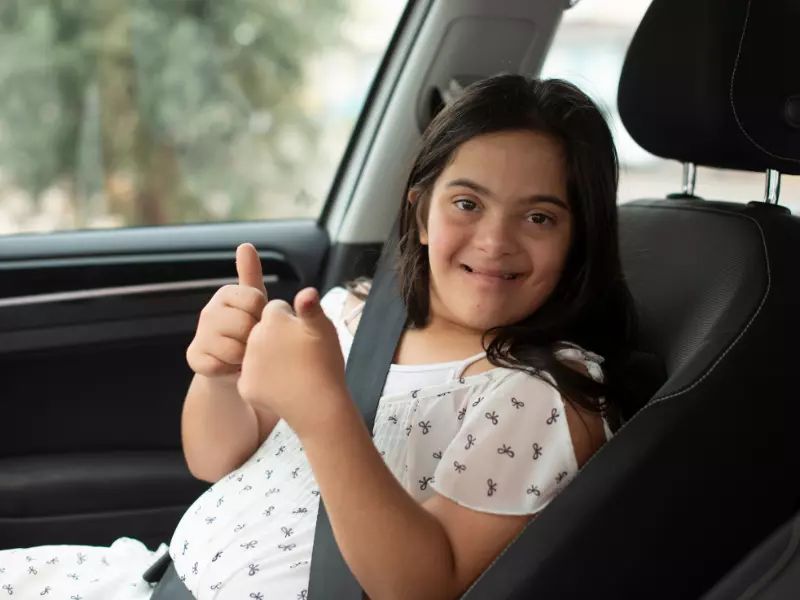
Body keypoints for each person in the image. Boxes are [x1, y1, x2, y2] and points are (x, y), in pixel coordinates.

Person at [0, 74, 636, 600]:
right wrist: (218, 373)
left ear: (577, 240)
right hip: (152, 580)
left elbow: (422, 586)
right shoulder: (349, 313)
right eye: (466, 204)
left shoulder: (539, 395)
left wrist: (326, 413)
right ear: (419, 212)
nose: (496, 240)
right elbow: (215, 459)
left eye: (539, 217)